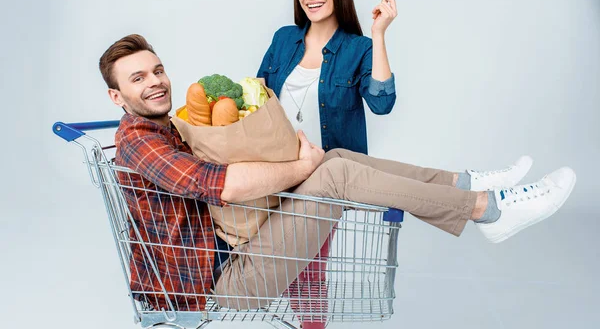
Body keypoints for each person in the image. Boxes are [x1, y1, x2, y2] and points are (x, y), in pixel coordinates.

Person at [100, 34, 576, 314]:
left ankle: (465, 184)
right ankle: (485, 210)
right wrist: (298, 166)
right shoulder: (141, 139)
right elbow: (219, 186)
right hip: (220, 282)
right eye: (138, 79)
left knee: (335, 159)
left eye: (157, 70)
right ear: (117, 97)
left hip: (233, 252)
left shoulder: (172, 126)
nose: (156, 82)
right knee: (329, 173)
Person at [257, 0, 398, 155]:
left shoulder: (360, 48)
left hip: (335, 175)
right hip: (283, 172)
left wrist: (378, 34)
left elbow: (382, 104)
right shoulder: (283, 39)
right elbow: (257, 101)